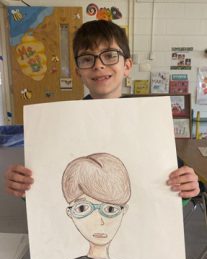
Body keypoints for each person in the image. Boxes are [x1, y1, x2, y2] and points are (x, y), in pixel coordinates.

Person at [5, 20, 199, 201]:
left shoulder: (147, 122)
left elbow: (170, 183)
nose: (98, 65)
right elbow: (48, 185)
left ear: (127, 66)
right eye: (87, 59)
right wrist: (24, 186)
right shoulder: (61, 126)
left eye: (109, 56)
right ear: (78, 72)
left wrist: (188, 187)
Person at [55, 153, 144, 259]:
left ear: (123, 211)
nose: (100, 221)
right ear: (70, 213)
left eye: (110, 209)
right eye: (83, 208)